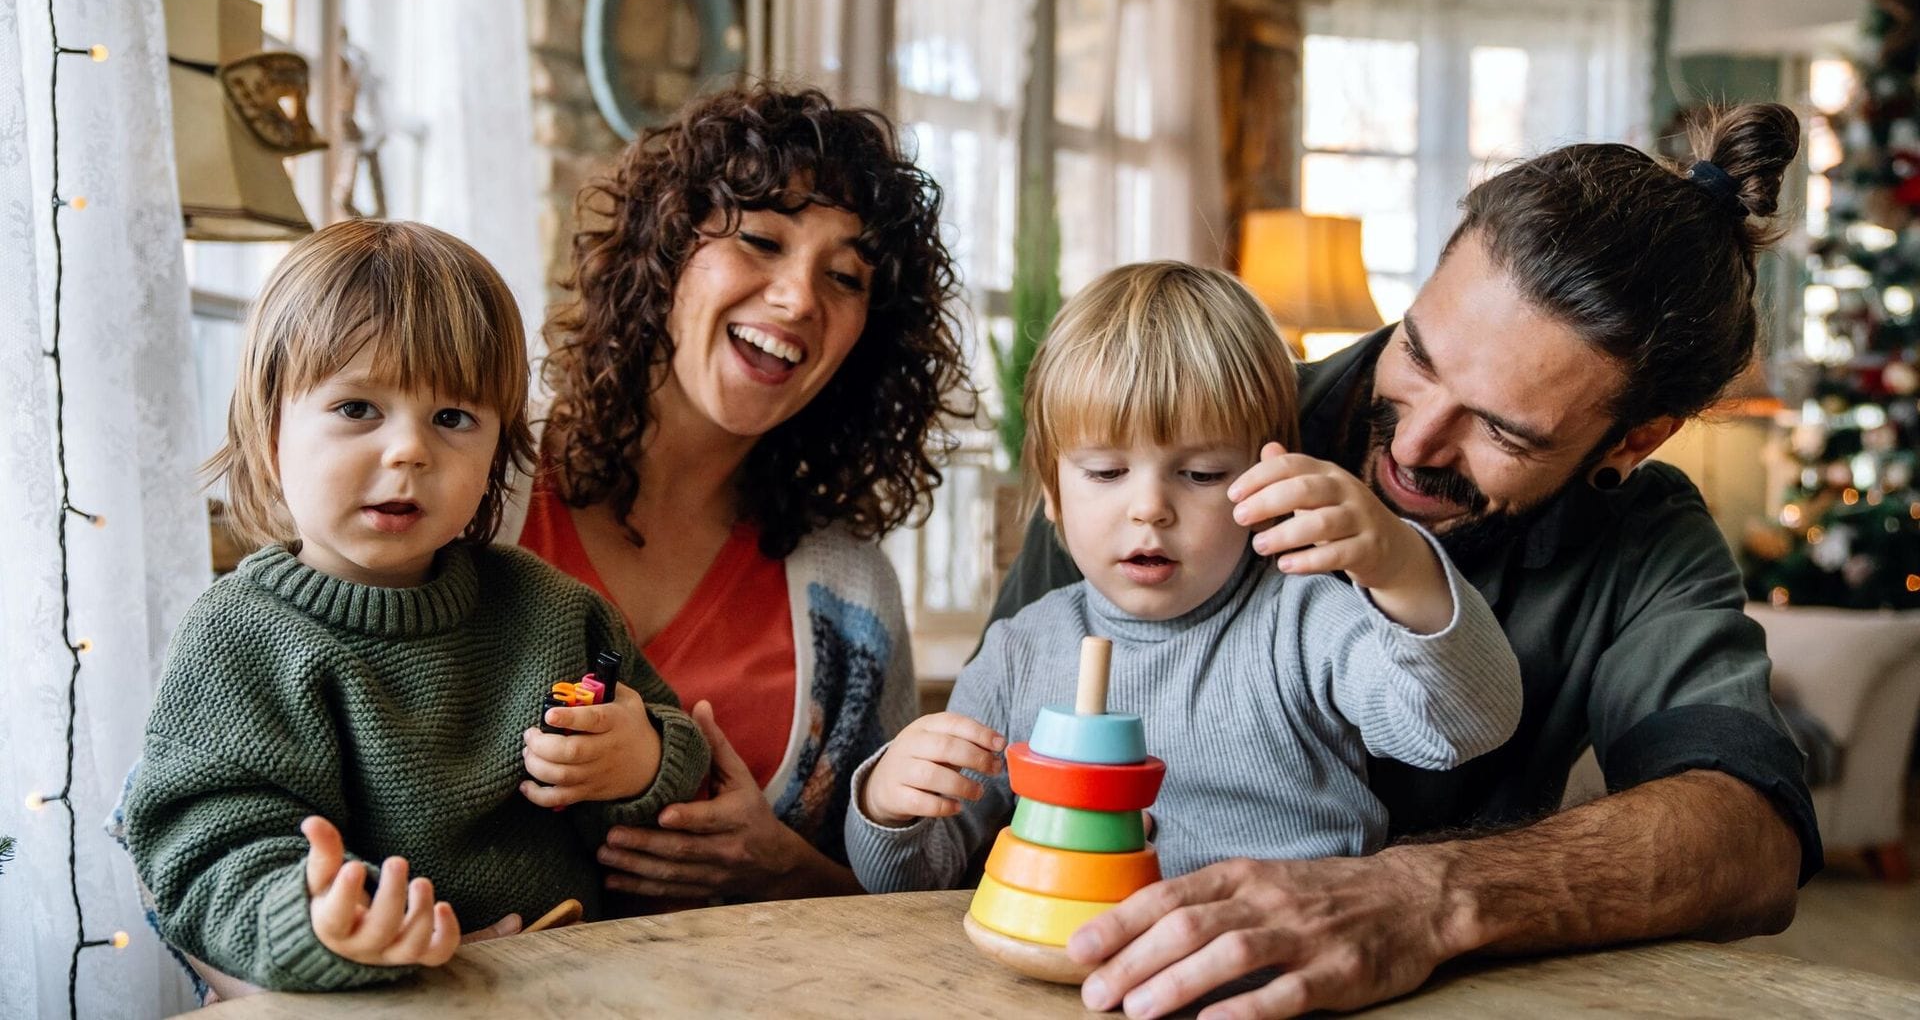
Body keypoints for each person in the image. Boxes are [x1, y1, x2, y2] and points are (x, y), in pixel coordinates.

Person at [990, 104, 1822, 1018]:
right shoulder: (1180, 434)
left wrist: (1431, 896)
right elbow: (994, 780)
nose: (1416, 445)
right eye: (1418, 355)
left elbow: (1752, 837)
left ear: (1637, 439)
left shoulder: (1649, 542)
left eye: (1503, 428)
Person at [120, 220, 710, 992]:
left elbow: (665, 763)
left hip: (578, 982)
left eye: (453, 419)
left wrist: (640, 760)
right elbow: (202, 849)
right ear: (270, 435)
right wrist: (318, 919)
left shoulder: (553, 610)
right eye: (358, 408)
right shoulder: (238, 637)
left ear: (496, 454)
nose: (410, 451)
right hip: (363, 998)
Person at [845, 262, 1522, 891]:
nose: (1149, 508)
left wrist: (1400, 566)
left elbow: (1457, 727)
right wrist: (888, 807)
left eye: (1201, 474)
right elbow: (916, 879)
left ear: (1267, 481)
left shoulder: (1303, 618)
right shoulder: (1019, 655)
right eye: (1106, 473)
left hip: (1281, 965)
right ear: (1052, 493)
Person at [501, 85, 973, 903]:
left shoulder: (853, 592)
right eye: (761, 240)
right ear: (666, 250)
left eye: (846, 277)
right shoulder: (477, 486)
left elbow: (905, 903)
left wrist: (785, 869)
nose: (798, 298)